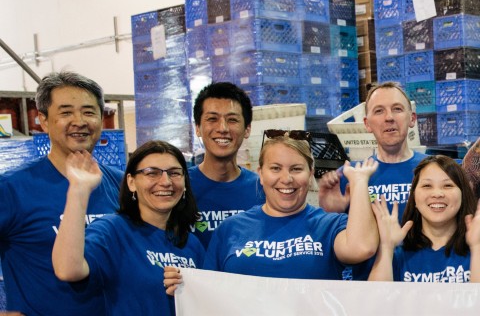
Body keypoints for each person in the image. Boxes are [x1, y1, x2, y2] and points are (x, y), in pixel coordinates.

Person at [164, 133, 378, 291]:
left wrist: (359, 182)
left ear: (310, 173)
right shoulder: (230, 229)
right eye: (275, 168)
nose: (286, 179)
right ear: (261, 174)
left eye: (296, 169)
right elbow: (207, 294)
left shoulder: (329, 225)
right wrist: (183, 285)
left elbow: (362, 248)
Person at [0, 71, 122, 316]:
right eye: (66, 112)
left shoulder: (122, 183)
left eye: (89, 112)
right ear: (43, 121)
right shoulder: (12, 187)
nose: (79, 121)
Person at [52, 140, 205, 315]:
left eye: (175, 173)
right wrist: (79, 190)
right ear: (131, 182)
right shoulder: (112, 230)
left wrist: (186, 289)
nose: (166, 181)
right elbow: (67, 270)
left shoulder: (191, 243)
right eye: (151, 173)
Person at [318, 81, 427, 220]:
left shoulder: (433, 169)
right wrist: (332, 215)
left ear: (412, 119)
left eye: (397, 109)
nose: (389, 117)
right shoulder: (348, 176)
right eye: (379, 111)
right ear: (367, 124)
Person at [368, 155, 480, 283]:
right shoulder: (395, 252)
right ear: (414, 197)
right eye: (427, 185)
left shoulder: (476, 245)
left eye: (448, 185)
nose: (437, 194)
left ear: (463, 194)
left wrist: (477, 248)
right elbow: (378, 301)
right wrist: (386, 247)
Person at [189, 82, 264, 249]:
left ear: (247, 129)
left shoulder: (263, 189)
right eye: (212, 119)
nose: (222, 128)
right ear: (198, 128)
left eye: (232, 120)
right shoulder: (179, 187)